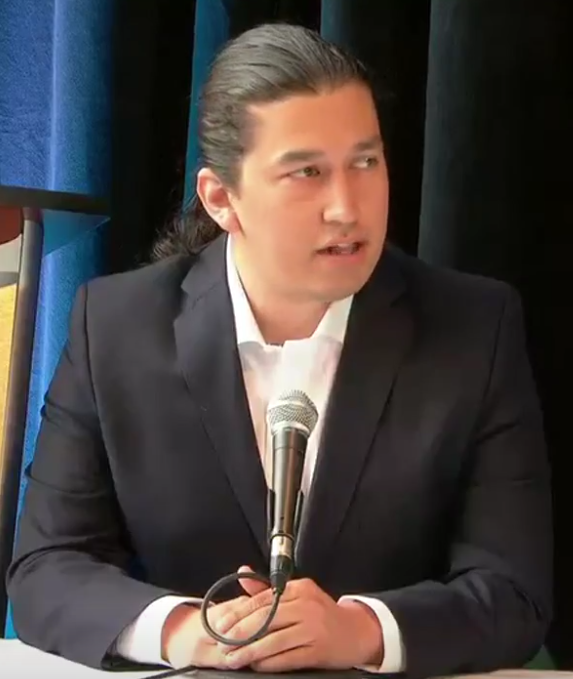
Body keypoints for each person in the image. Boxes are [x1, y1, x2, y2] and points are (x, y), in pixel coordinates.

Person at [7, 22, 552, 679]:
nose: (346, 207)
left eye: (365, 162)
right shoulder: (116, 326)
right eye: (306, 173)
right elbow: (46, 567)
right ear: (221, 199)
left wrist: (360, 631)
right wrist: (188, 632)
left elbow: (514, 591)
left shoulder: (473, 326)